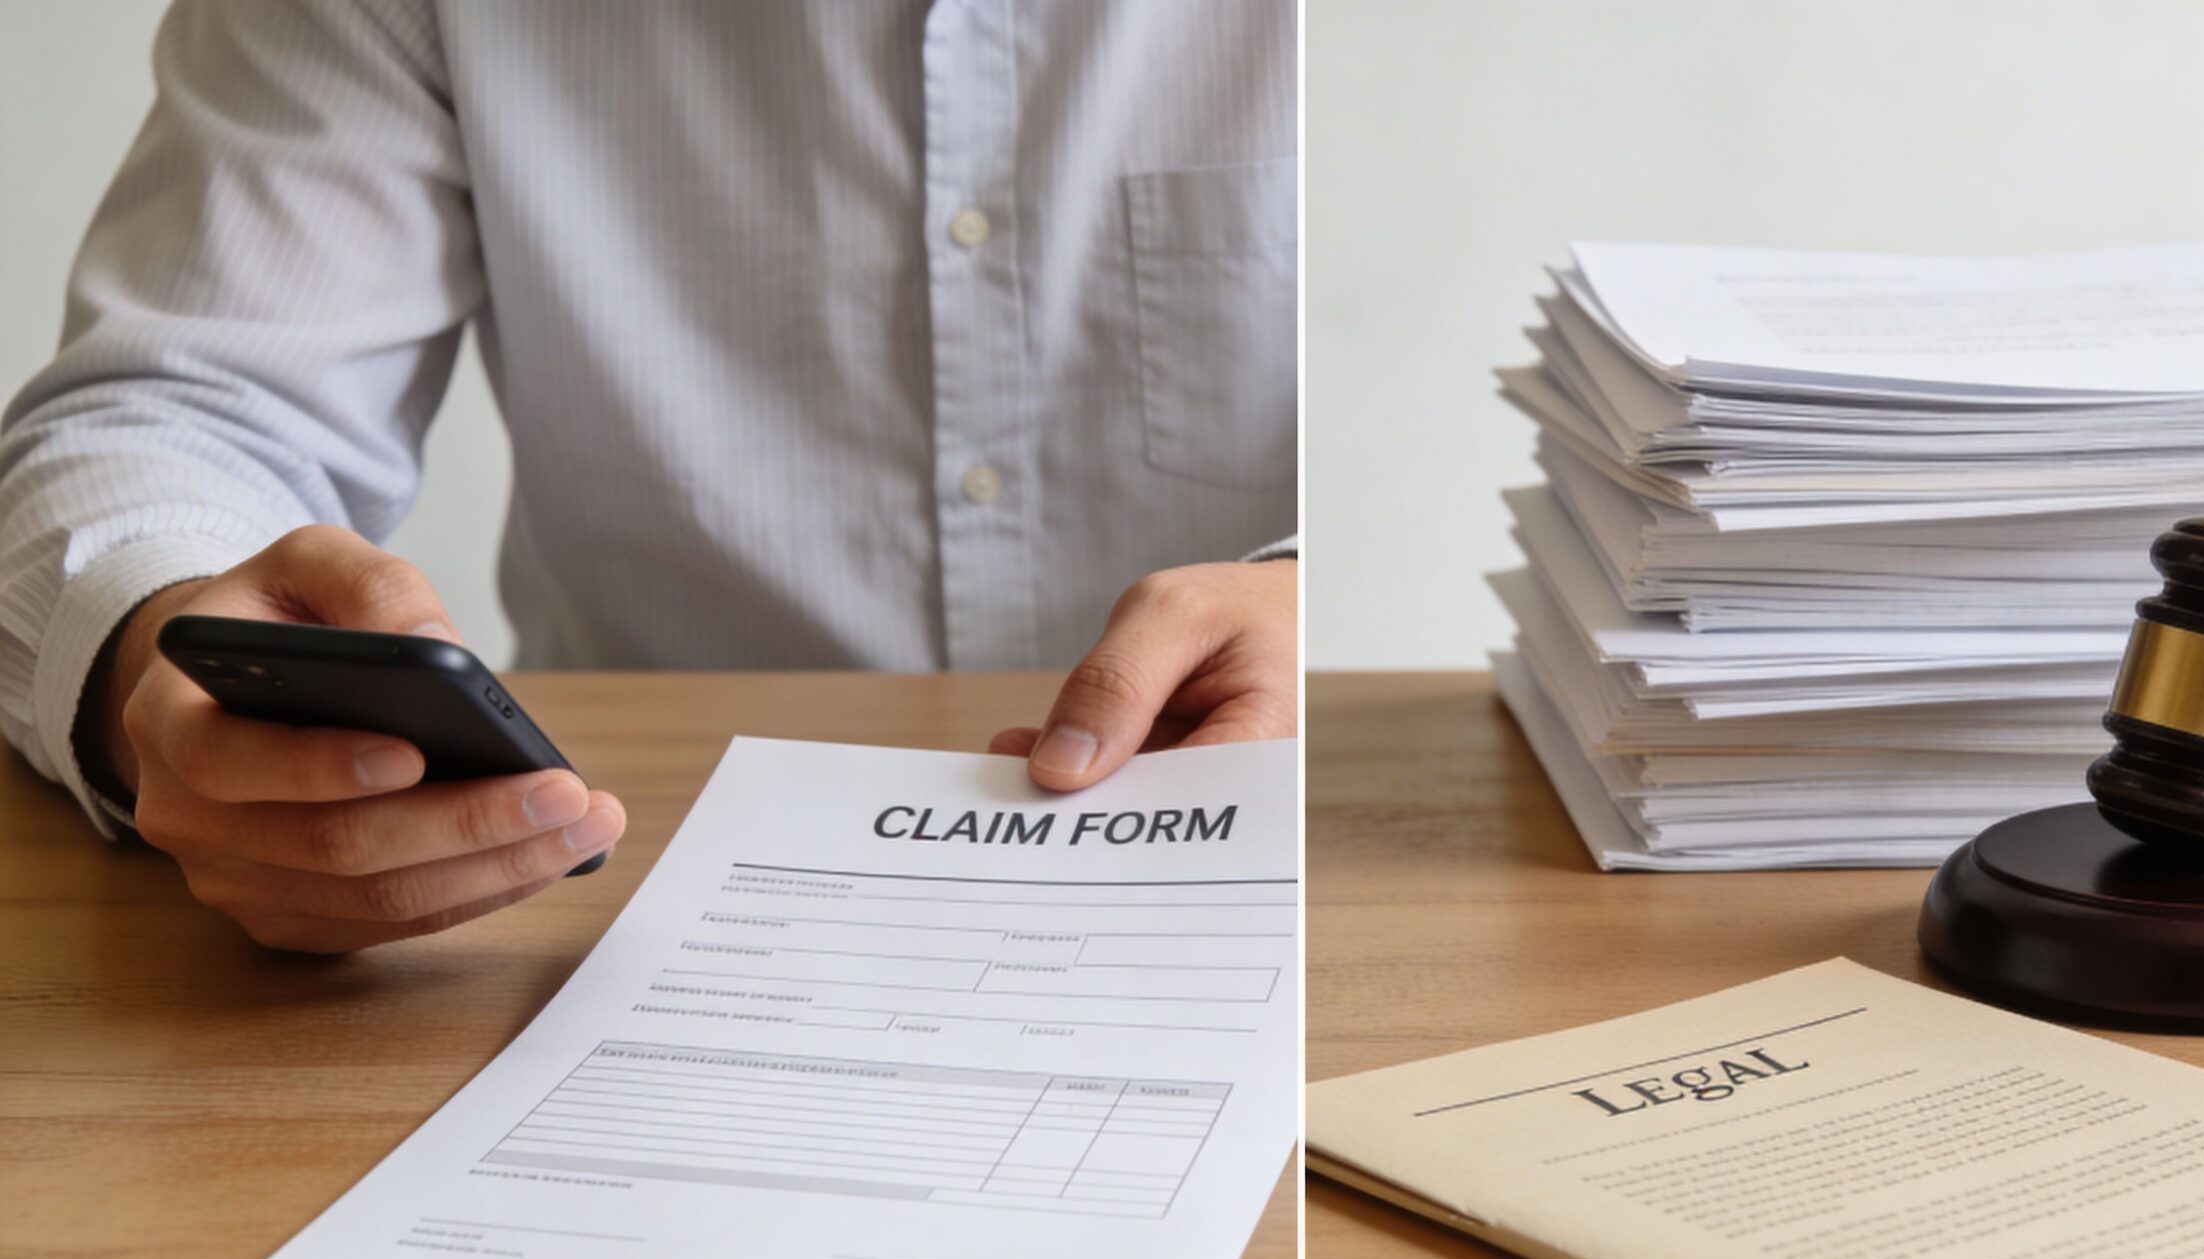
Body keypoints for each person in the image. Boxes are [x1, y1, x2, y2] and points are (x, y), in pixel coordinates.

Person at [0, 1, 1297, 954]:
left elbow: (1508, 426)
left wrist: (1307, 593)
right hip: (612, 908)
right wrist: (152, 675)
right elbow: (170, 412)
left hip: (1281, 891)